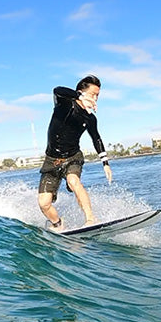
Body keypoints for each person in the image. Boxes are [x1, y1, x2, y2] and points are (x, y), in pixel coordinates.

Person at [37, 75, 113, 230]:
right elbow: (57, 90)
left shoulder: (90, 118)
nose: (96, 99)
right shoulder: (64, 104)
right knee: (44, 204)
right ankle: (58, 224)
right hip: (52, 160)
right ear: (81, 92)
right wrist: (79, 97)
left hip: (73, 157)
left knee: (73, 182)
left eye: (97, 96)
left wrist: (105, 163)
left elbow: (96, 139)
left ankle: (91, 219)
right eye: (93, 94)